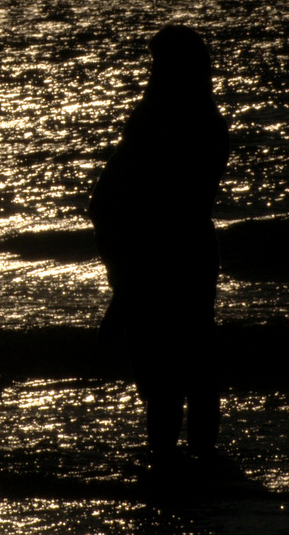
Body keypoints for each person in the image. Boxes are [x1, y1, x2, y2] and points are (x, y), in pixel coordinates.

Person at [92, 24, 229, 459]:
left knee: (169, 380)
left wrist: (127, 280)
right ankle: (195, 475)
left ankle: (172, 473)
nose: (152, 74)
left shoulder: (157, 128)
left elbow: (116, 204)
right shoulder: (203, 125)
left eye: (158, 65)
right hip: (184, 255)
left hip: (159, 258)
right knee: (194, 374)